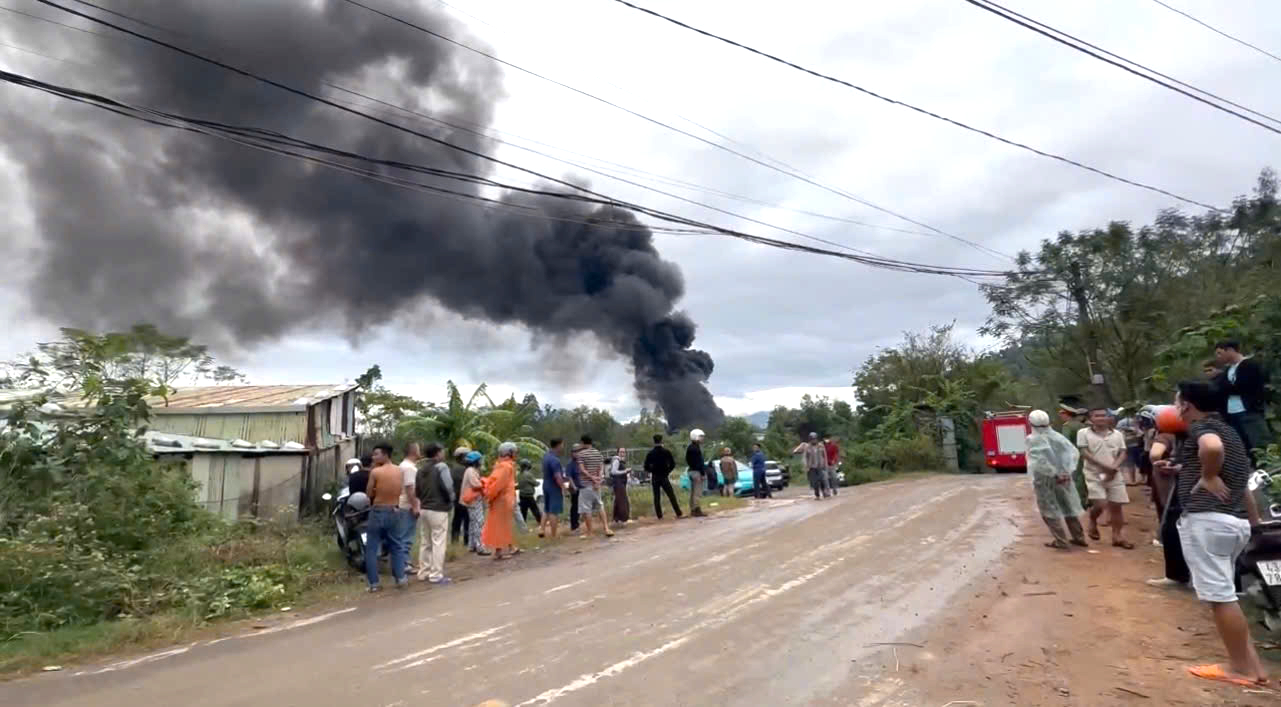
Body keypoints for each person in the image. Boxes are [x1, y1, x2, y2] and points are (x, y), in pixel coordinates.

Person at [1158, 380, 1267, 687]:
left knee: (1220, 598)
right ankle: (1254, 668)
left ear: (1186, 405)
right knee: (1226, 595)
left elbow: (1211, 448)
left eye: (1176, 401)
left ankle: (1239, 669)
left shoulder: (1201, 429)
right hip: (1236, 523)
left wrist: (1206, 476)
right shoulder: (1231, 431)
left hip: (1208, 522)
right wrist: (1255, 525)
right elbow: (1241, 481)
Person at [1025, 410, 1088, 550]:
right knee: (1068, 505)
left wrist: (1054, 473)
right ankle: (1079, 537)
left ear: (1030, 423)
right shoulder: (1057, 437)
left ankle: (1061, 540)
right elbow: (1072, 453)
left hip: (1044, 478)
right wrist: (1066, 471)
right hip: (1064, 477)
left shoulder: (1032, 439)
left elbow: (1040, 461)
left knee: (1048, 509)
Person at [1079, 407, 1133, 549]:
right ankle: (1092, 520)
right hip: (1094, 475)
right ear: (1091, 418)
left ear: (1109, 417)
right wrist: (1105, 466)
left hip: (1114, 475)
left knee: (1117, 506)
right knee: (1100, 504)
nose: (1101, 418)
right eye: (1097, 416)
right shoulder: (1083, 433)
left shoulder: (1117, 434)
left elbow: (1123, 452)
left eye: (1104, 415)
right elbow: (1084, 453)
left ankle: (1118, 537)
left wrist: (1114, 466)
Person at [1146, 422, 1191, 589]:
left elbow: (1154, 454)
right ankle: (1178, 575)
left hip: (1195, 489)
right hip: (1184, 486)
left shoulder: (1168, 434)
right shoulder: (1180, 435)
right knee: (1172, 529)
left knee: (1176, 529)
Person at [1213, 339, 1272, 465]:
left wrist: (1226, 386)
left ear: (1230, 350)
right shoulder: (1227, 371)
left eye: (1220, 353)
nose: (1219, 357)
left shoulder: (1250, 365)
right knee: (1242, 447)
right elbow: (1220, 389)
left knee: (1259, 444)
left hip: (1249, 411)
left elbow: (1245, 387)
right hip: (1232, 413)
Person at [364, 441, 408, 591]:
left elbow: (368, 494)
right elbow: (400, 490)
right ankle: (400, 578)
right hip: (394, 510)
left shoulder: (375, 472)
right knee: (396, 545)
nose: (373, 457)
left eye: (376, 454)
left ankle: (374, 584)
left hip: (378, 510)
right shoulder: (399, 471)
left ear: (385, 455)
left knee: (371, 548)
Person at [415, 443, 454, 584]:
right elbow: (448, 487)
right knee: (438, 541)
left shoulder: (420, 470)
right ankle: (436, 574)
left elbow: (417, 492)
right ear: (437, 453)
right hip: (439, 508)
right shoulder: (441, 467)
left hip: (424, 509)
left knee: (425, 542)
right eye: (442, 451)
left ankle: (423, 572)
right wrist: (451, 500)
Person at [482, 443, 519, 560]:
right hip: (501, 501)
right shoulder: (505, 467)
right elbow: (498, 485)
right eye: (514, 452)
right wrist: (490, 496)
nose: (516, 455)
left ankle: (511, 547)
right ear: (509, 453)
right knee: (500, 526)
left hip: (503, 500)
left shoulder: (505, 465)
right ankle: (498, 552)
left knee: (504, 525)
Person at [575, 436, 614, 538]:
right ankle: (606, 528)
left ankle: (590, 532)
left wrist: (592, 478)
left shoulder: (581, 455)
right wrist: (598, 479)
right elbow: (601, 468)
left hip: (585, 485)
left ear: (582, 443)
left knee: (586, 509)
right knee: (600, 506)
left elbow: (582, 470)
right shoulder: (598, 453)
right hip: (596, 485)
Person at [397, 442, 423, 576]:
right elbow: (410, 488)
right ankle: (404, 565)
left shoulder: (403, 465)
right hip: (407, 506)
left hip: (402, 505)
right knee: (406, 537)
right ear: (413, 451)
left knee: (403, 536)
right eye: (418, 449)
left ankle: (404, 562)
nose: (420, 451)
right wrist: (415, 506)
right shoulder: (409, 468)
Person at [643, 434, 682, 519]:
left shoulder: (650, 453)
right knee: (671, 495)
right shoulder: (666, 452)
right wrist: (668, 471)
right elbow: (673, 464)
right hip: (664, 476)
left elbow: (646, 466)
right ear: (661, 441)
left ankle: (659, 516)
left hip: (655, 477)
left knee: (656, 497)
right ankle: (678, 512)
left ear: (654, 442)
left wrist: (652, 470)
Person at [460, 451, 490, 555]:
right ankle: (480, 547)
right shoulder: (471, 471)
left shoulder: (470, 470)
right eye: (480, 460)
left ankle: (472, 545)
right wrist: (485, 483)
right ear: (476, 461)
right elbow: (475, 485)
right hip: (474, 500)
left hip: (471, 501)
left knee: (473, 523)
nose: (481, 462)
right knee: (479, 523)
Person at [541, 439, 568, 538]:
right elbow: (557, 476)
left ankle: (542, 529)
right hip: (553, 487)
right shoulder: (554, 460)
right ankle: (553, 535)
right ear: (558, 446)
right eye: (562, 445)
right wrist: (563, 487)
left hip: (546, 485)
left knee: (546, 509)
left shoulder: (546, 457)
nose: (563, 447)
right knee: (554, 511)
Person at [796, 433, 830, 499]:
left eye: (815, 439)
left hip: (820, 466)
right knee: (815, 482)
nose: (814, 440)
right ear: (810, 440)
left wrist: (826, 465)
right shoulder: (807, 447)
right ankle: (817, 495)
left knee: (822, 480)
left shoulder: (821, 446)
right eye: (812, 439)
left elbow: (824, 456)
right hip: (812, 467)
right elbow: (805, 457)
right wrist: (806, 466)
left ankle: (824, 491)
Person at [449, 447, 471, 546]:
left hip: (456, 499)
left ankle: (454, 540)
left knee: (457, 519)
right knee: (467, 520)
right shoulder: (465, 470)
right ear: (463, 457)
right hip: (465, 498)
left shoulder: (453, 468)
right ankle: (467, 541)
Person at [685, 429, 708, 518]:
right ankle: (696, 510)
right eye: (701, 437)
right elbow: (699, 462)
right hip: (696, 472)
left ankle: (692, 509)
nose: (702, 439)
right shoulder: (696, 448)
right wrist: (702, 473)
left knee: (693, 492)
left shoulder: (690, 447)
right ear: (696, 437)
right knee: (697, 492)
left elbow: (688, 460)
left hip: (691, 471)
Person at [517, 458, 543, 530]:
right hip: (529, 496)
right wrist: (538, 483)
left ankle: (523, 526)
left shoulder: (519, 475)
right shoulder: (528, 474)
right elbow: (535, 483)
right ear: (526, 465)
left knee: (523, 511)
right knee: (535, 510)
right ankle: (540, 522)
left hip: (522, 495)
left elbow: (519, 485)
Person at [609, 447, 631, 523]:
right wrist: (625, 471)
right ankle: (623, 519)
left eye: (623, 452)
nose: (622, 453)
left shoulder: (621, 461)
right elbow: (613, 472)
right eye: (621, 452)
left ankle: (616, 519)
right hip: (618, 483)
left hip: (620, 483)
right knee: (623, 501)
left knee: (618, 501)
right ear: (618, 453)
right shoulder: (617, 460)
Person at [567, 443, 583, 532]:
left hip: (582, 488)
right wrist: (574, 487)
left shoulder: (581, 463)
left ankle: (578, 523)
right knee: (575, 507)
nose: (576, 453)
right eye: (575, 451)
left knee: (581, 507)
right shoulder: (571, 464)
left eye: (578, 451)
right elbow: (569, 477)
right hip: (575, 489)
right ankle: (574, 526)